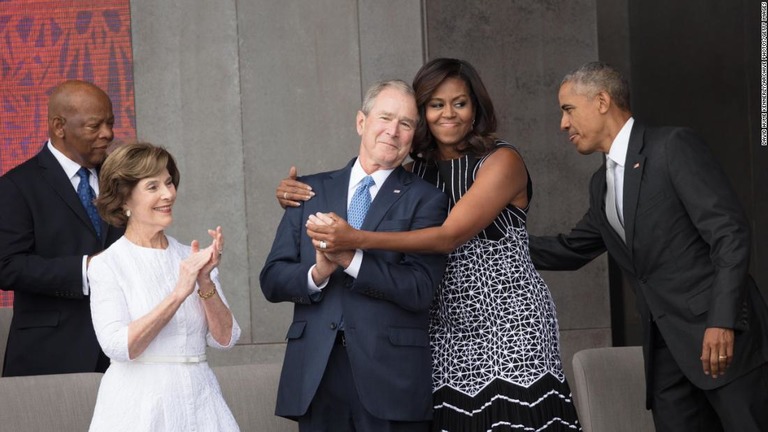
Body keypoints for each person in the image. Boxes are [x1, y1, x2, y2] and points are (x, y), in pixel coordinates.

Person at [278, 59, 581, 431]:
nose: (448, 114)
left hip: (507, 321)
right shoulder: (413, 172)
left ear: (476, 109)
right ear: (422, 114)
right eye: (436, 105)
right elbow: (363, 181)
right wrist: (299, 194)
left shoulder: (502, 160)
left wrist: (354, 241)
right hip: (440, 325)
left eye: (460, 103)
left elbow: (448, 236)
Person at [528, 61, 768, 431]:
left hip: (721, 341)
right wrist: (490, 245)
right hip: (665, 357)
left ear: (603, 100)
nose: (563, 124)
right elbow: (571, 248)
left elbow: (730, 233)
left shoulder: (672, 147)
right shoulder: (600, 184)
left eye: (568, 109)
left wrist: (722, 320)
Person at [260, 79, 448, 432]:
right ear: (362, 122)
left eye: (405, 124)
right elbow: (271, 280)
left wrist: (351, 259)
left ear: (413, 135)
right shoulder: (309, 191)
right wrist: (317, 273)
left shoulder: (427, 199)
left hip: (390, 376)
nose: (393, 131)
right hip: (317, 373)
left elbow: (421, 288)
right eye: (385, 118)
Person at [87, 142, 240, 431]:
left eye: (169, 182)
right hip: (138, 407)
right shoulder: (108, 265)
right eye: (152, 186)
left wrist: (205, 280)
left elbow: (225, 339)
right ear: (124, 200)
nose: (168, 194)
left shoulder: (190, 258)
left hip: (201, 401)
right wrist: (179, 293)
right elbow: (119, 346)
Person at [0, 80, 123, 376]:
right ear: (59, 126)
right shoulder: (16, 186)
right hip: (49, 355)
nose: (108, 134)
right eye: (95, 126)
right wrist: (85, 269)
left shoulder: (121, 181)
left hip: (122, 354)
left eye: (110, 123)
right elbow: (7, 267)